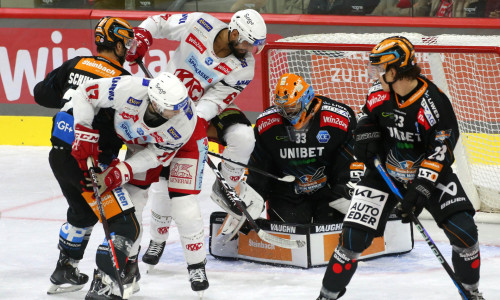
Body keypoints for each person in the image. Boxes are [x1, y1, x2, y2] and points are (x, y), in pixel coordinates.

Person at [317, 36, 484, 300]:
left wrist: (420, 189)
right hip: (384, 174)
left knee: (464, 231)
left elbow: (440, 153)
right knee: (352, 239)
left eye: (380, 69)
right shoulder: (379, 91)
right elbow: (365, 117)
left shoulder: (434, 104)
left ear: (394, 71)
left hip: (428, 175)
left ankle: (472, 292)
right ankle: (326, 296)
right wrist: (366, 135)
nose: (375, 75)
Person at [124, 8, 267, 282]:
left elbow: (215, 99)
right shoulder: (199, 24)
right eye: (249, 43)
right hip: (169, 106)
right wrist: (142, 36)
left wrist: (196, 121)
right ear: (234, 31)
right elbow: (158, 22)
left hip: (202, 108)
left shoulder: (244, 66)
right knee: (167, 179)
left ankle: (225, 186)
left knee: (243, 136)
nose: (251, 50)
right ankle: (158, 237)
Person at [70, 71, 206, 299]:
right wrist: (83, 131)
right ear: (155, 103)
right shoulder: (127, 88)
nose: (179, 111)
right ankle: (130, 267)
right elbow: (85, 92)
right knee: (132, 202)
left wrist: (117, 173)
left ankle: (197, 266)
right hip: (143, 144)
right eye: (173, 107)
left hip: (185, 144)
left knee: (184, 206)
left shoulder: (183, 120)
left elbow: (156, 156)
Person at [34, 16, 135, 295]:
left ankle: (65, 268)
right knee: (125, 224)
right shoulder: (123, 80)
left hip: (59, 156)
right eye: (126, 43)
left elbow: (41, 94)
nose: (128, 50)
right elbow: (125, 129)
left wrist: (72, 93)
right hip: (89, 162)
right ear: (116, 45)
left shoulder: (76, 63)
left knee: (82, 213)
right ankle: (103, 284)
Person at [238, 73, 361, 229]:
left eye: (291, 106)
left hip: (329, 190)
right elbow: (259, 164)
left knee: (331, 228)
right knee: (288, 229)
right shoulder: (266, 124)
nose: (286, 112)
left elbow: (351, 157)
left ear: (306, 98)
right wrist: (254, 196)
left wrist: (348, 188)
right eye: (281, 107)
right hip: (287, 192)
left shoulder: (339, 119)